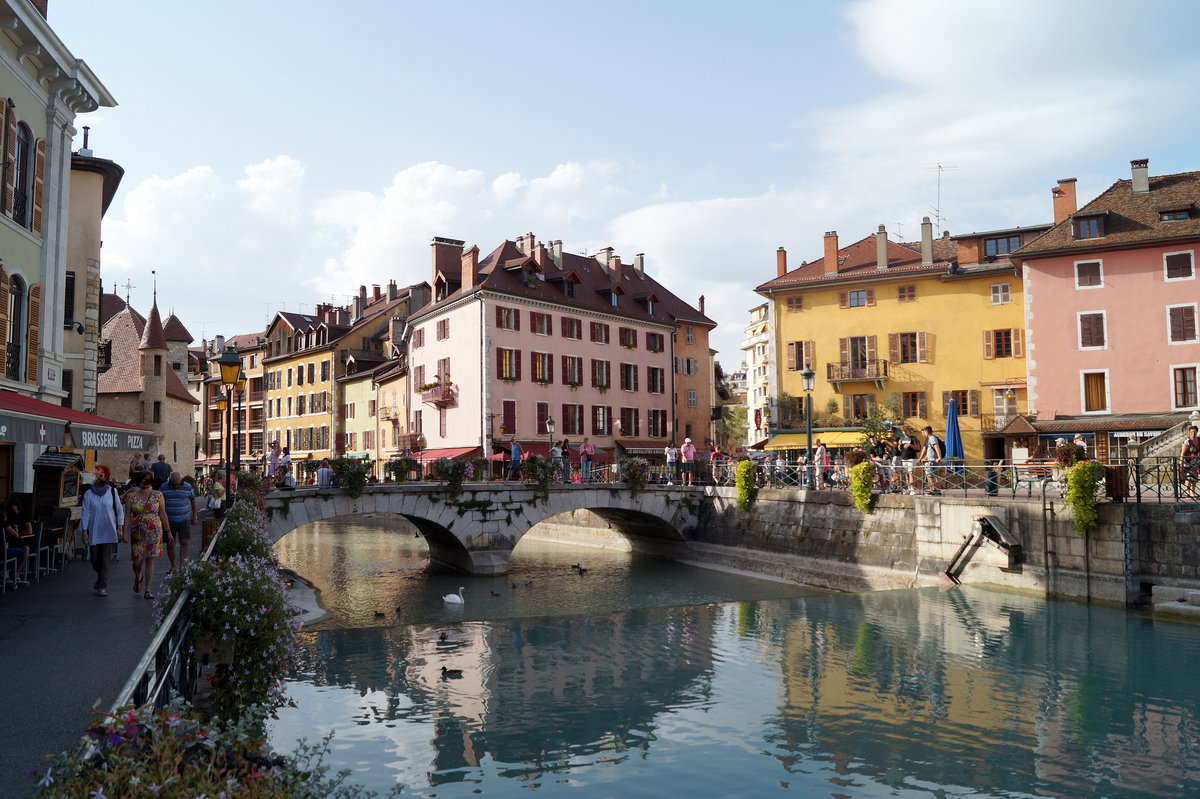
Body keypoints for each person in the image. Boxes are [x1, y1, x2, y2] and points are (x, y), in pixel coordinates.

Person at [122, 470, 171, 599]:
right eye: (143, 480)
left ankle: (148, 589)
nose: (145, 483)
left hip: (154, 532)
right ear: (139, 481)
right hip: (137, 532)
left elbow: (162, 513)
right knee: (136, 562)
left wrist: (168, 532)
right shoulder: (131, 496)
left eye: (148, 480)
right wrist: (124, 531)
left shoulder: (158, 495)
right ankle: (138, 576)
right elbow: (127, 516)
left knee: (150, 560)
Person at [79, 466, 123, 597]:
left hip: (109, 530)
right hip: (94, 531)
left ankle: (102, 586)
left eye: (104, 474)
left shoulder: (113, 492)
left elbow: (119, 510)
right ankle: (100, 580)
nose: (101, 476)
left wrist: (120, 528)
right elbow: (85, 513)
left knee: (105, 560)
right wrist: (84, 531)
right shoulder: (88, 494)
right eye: (99, 474)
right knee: (95, 559)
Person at [159, 471, 197, 573]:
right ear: (169, 481)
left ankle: (182, 565)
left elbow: (193, 501)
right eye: (173, 484)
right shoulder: (163, 487)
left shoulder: (188, 487)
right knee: (170, 543)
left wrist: (194, 516)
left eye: (178, 484)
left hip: (184, 519)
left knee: (184, 542)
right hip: (168, 520)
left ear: (181, 480)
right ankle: (173, 566)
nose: (176, 486)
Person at [3, 498, 33, 585]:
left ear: (19, 509)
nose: (12, 512)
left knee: (25, 549)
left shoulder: (24, 516)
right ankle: (6, 570)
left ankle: (16, 572)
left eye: (14, 510)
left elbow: (29, 531)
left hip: (24, 540)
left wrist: (17, 533)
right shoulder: (8, 518)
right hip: (11, 540)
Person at [920, 426, 944, 495]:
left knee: (929, 476)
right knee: (933, 476)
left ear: (926, 432)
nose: (923, 434)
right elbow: (930, 450)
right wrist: (925, 457)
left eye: (923, 432)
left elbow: (936, 447)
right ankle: (935, 491)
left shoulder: (932, 438)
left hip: (931, 461)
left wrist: (939, 457)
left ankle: (934, 490)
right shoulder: (931, 438)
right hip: (931, 460)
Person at [898, 427, 922, 494]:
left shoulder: (913, 438)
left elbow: (918, 448)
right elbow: (900, 449)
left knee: (911, 473)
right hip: (904, 457)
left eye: (906, 431)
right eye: (903, 431)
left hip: (911, 457)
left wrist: (910, 445)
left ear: (909, 431)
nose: (904, 433)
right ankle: (908, 488)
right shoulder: (902, 439)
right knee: (906, 474)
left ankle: (912, 489)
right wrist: (899, 444)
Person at [1181, 425, 1200, 500]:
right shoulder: (1187, 441)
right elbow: (1182, 453)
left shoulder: (1199, 440)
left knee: (1194, 477)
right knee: (1189, 477)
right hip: (1187, 462)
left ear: (1197, 432)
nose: (1193, 433)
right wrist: (1181, 461)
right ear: (1189, 433)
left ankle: (1192, 492)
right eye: (1191, 432)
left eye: (1194, 432)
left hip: (1195, 462)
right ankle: (1189, 493)